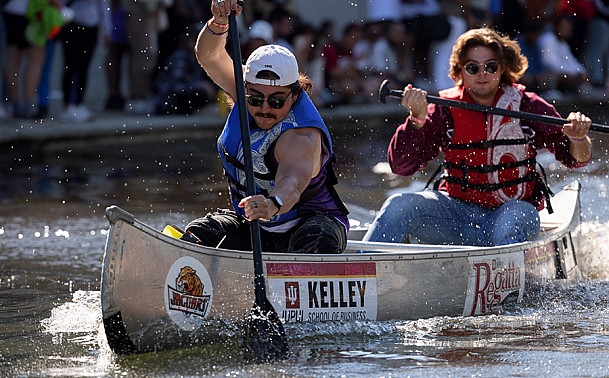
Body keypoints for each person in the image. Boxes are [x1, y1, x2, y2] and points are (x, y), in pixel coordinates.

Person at [363, 27, 592, 247]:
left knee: (514, 219)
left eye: (490, 66)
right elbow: (401, 167)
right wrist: (416, 120)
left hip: (512, 212)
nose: (482, 74)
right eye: (473, 68)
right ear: (460, 71)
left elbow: (577, 160)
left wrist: (579, 138)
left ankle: (503, 280)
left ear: (502, 69)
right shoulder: (444, 109)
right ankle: (361, 273)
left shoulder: (528, 106)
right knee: (398, 205)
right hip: (456, 218)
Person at [181, 0, 349, 254]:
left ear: (294, 94)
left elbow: (292, 182)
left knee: (315, 242)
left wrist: (273, 203)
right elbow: (209, 56)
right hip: (256, 226)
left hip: (310, 222)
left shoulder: (302, 136)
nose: (265, 108)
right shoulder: (244, 89)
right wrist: (219, 22)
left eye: (276, 101)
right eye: (255, 99)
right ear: (245, 90)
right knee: (199, 234)